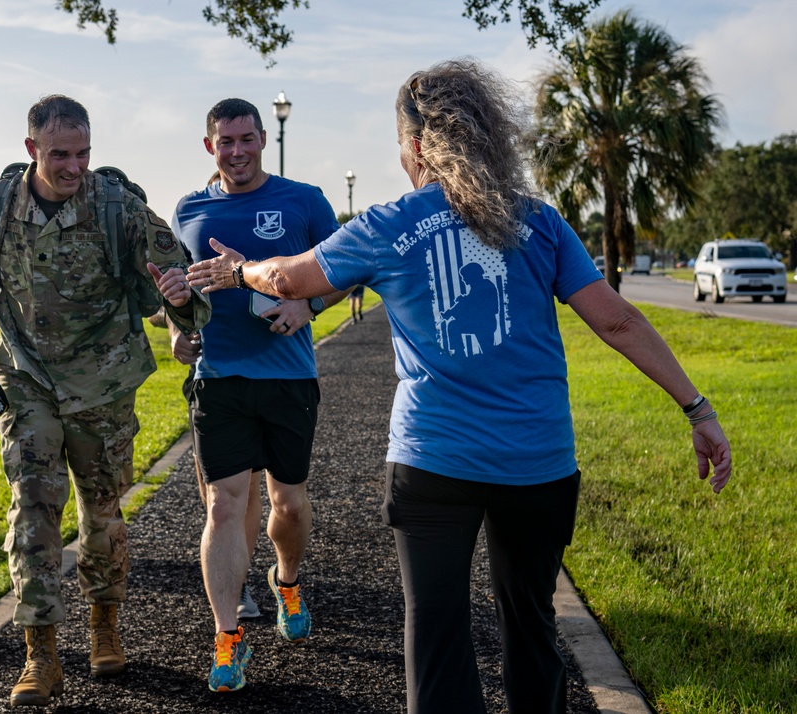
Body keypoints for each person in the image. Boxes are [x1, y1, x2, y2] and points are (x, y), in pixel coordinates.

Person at [187, 59, 732, 714]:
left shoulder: (390, 224)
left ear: (416, 145)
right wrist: (696, 407)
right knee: (532, 627)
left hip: (434, 462)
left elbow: (288, 280)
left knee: (438, 635)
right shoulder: (541, 221)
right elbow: (615, 320)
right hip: (538, 464)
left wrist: (242, 270)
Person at [0, 94, 210, 708]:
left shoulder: (120, 208)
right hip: (28, 377)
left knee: (103, 513)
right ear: (31, 149)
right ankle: (41, 653)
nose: (73, 166)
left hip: (104, 380)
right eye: (60, 154)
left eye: (83, 153)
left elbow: (183, 289)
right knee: (33, 507)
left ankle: (104, 624)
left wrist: (178, 297)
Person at [169, 97, 343, 693]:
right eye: (225, 142)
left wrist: (307, 303)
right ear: (209, 146)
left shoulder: (304, 200)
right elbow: (179, 291)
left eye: (246, 139)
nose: (236, 151)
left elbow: (343, 271)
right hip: (218, 379)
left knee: (287, 505)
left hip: (288, 378)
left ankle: (287, 581)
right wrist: (175, 333)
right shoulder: (189, 210)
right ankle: (227, 640)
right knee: (224, 505)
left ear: (263, 138)